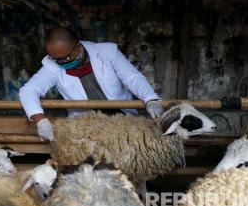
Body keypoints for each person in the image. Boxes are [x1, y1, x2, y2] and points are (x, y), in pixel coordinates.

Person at [19, 27, 164, 141]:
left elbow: (132, 78)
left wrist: (150, 98)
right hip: (85, 125)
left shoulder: (107, 52)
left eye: (65, 57)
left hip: (122, 119)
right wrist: (40, 120)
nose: (61, 62)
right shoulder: (52, 66)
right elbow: (29, 90)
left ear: (78, 46)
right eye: (56, 59)